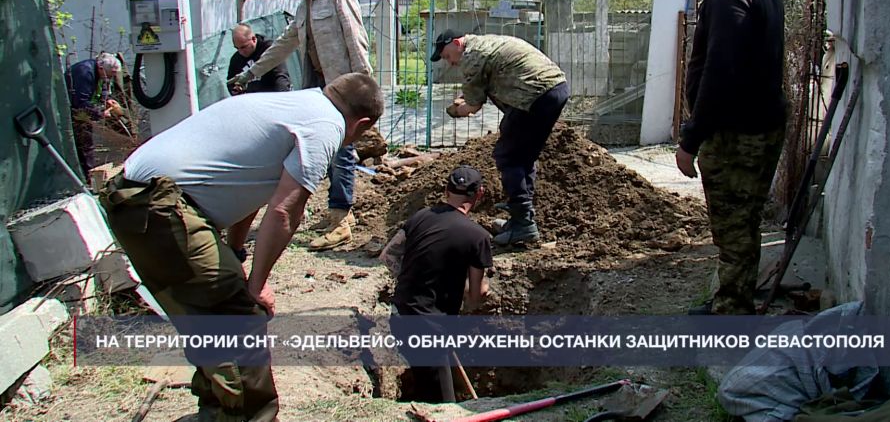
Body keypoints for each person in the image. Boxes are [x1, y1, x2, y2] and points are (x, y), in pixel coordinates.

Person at [99, 73, 383, 421]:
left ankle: (219, 410)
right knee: (238, 315)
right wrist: (257, 284)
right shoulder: (326, 125)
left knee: (207, 315)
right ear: (362, 123)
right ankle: (249, 416)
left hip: (135, 198)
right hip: (161, 207)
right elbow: (284, 211)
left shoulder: (295, 104)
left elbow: (250, 190)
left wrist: (235, 253)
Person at [668, 0, 787, 315]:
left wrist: (690, 140)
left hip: (737, 133)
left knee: (733, 225)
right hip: (761, 122)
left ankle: (732, 316)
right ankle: (734, 298)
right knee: (745, 219)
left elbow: (719, 76)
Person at [229, 0, 373, 252]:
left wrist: (364, 84)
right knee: (322, 149)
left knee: (341, 150)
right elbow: (284, 44)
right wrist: (251, 73)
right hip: (321, 89)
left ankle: (340, 220)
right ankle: (338, 212)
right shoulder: (303, 7)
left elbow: (355, 36)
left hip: (344, 88)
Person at [432, 30, 568, 246]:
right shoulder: (487, 44)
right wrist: (465, 98)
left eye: (447, 56)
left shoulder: (471, 57)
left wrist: (454, 110)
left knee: (508, 156)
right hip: (556, 89)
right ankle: (521, 220)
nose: (450, 62)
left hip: (534, 94)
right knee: (524, 157)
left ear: (457, 43)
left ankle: (523, 224)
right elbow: (477, 88)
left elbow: (473, 106)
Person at [380, 165, 493, 403]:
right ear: (479, 194)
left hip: (400, 318)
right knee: (443, 405)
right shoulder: (477, 236)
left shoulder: (419, 217)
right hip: (430, 331)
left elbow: (388, 256)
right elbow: (475, 296)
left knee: (427, 388)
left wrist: (416, 276)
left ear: (446, 189)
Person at [65, 52, 125, 181]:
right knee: (84, 146)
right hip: (75, 114)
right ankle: (87, 179)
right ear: (101, 68)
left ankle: (88, 177)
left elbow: (100, 92)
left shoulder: (100, 73)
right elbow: (79, 102)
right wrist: (100, 112)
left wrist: (107, 100)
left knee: (87, 145)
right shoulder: (84, 73)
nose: (112, 77)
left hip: (84, 112)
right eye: (111, 74)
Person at [226, 23, 291, 95]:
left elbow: (280, 77)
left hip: (272, 96)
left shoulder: (269, 50)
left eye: (243, 47)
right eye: (237, 48)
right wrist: (236, 90)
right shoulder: (236, 59)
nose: (241, 52)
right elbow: (231, 83)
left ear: (253, 39)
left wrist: (280, 97)